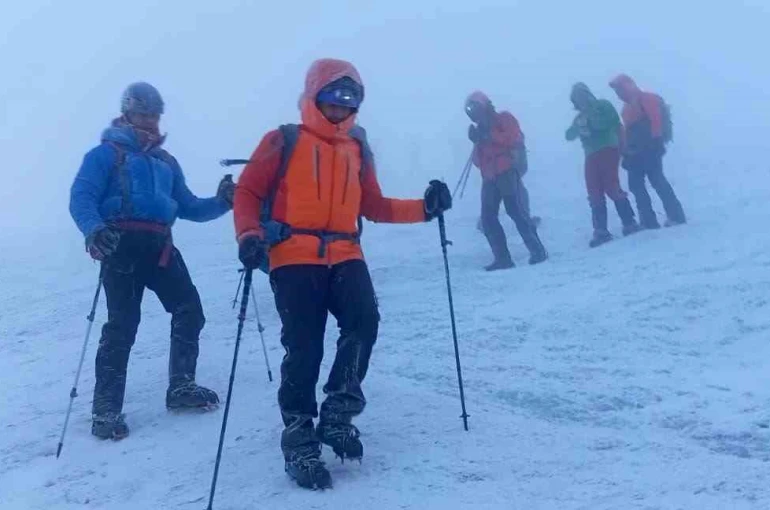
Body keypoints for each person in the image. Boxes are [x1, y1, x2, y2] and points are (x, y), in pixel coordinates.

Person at [233, 58, 452, 490]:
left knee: (363, 322)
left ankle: (337, 412)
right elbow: (248, 191)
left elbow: (373, 205)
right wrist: (248, 235)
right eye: (334, 95)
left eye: (350, 98)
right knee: (305, 347)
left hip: (346, 251)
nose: (342, 105)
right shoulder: (284, 139)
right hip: (293, 255)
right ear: (315, 94)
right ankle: (299, 437)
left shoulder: (356, 147)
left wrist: (425, 209)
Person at [69, 82, 235, 440]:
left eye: (154, 116)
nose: (149, 122)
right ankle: (106, 411)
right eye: (143, 114)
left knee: (190, 310)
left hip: (159, 247)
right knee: (122, 326)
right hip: (120, 246)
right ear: (127, 113)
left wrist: (223, 201)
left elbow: (189, 207)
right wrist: (95, 230)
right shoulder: (105, 155)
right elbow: (81, 197)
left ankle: (181, 386)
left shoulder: (165, 162)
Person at [465, 91, 547, 270]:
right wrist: (477, 141)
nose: (475, 114)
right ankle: (503, 258)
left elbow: (512, 138)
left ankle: (538, 251)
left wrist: (488, 136)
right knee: (488, 219)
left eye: (476, 109)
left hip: (507, 172)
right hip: (489, 177)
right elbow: (478, 161)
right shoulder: (480, 130)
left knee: (516, 212)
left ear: (484, 106)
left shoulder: (504, 119)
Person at [566, 82, 642, 247]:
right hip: (591, 154)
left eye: (582, 95)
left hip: (608, 148)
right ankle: (601, 230)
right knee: (593, 191)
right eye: (576, 98)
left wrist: (590, 123)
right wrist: (577, 128)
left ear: (588, 94)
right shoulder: (579, 117)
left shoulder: (602, 105)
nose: (580, 100)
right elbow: (569, 135)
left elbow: (612, 121)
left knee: (611, 186)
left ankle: (629, 222)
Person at [609, 74, 686, 228]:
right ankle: (649, 219)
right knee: (637, 184)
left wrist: (656, 142)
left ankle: (674, 215)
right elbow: (628, 131)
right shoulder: (627, 108)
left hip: (650, 148)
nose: (618, 93)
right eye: (617, 91)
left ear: (629, 85)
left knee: (656, 180)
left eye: (620, 89)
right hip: (637, 151)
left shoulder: (646, 99)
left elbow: (655, 119)